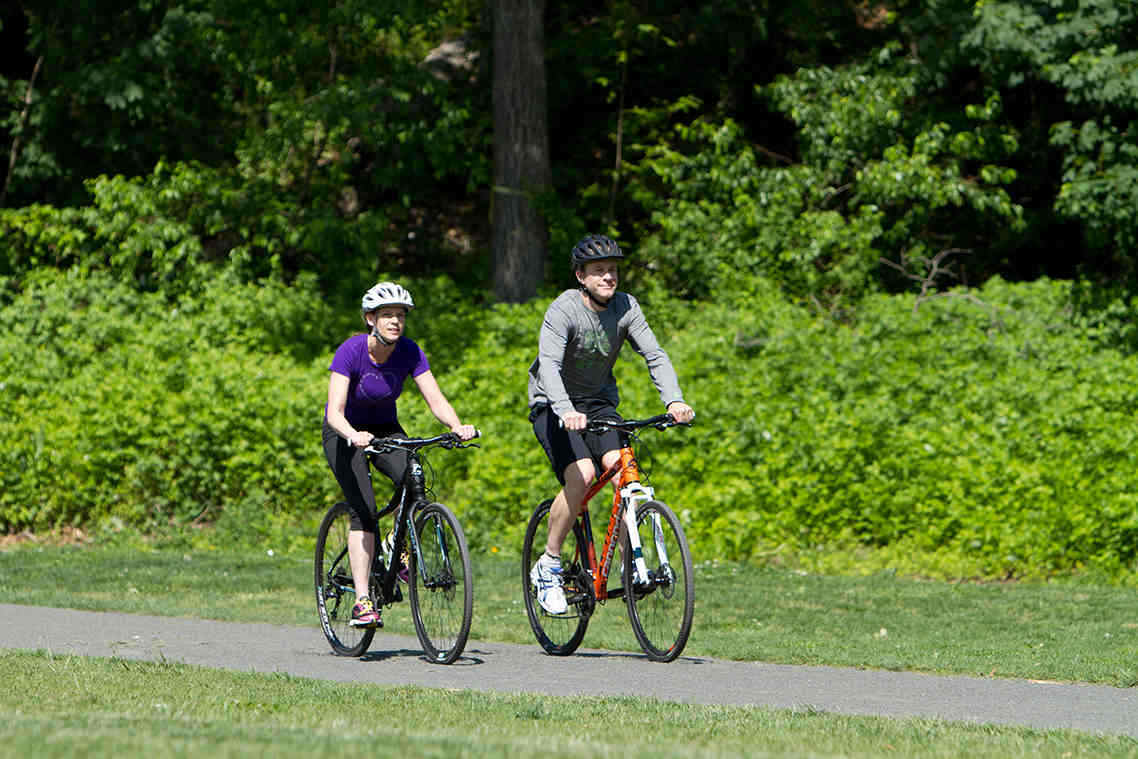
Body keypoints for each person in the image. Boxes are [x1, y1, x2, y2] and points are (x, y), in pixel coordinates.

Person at [527, 234, 695, 614]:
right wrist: (565, 409)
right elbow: (549, 367)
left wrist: (674, 399)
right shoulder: (563, 310)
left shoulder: (626, 307)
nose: (608, 277)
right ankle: (549, 564)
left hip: (600, 405)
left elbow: (654, 354)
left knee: (625, 477)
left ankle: (629, 564)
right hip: (553, 405)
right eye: (599, 271)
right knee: (583, 475)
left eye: (613, 270)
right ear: (580, 276)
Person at [323, 281, 477, 628]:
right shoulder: (350, 351)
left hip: (386, 430)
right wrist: (353, 435)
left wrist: (457, 425)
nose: (395, 321)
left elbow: (434, 398)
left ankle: (396, 543)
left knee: (414, 475)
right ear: (370, 319)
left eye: (400, 316)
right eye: (387, 315)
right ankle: (362, 601)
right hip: (344, 433)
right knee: (363, 510)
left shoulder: (409, 351)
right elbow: (335, 412)